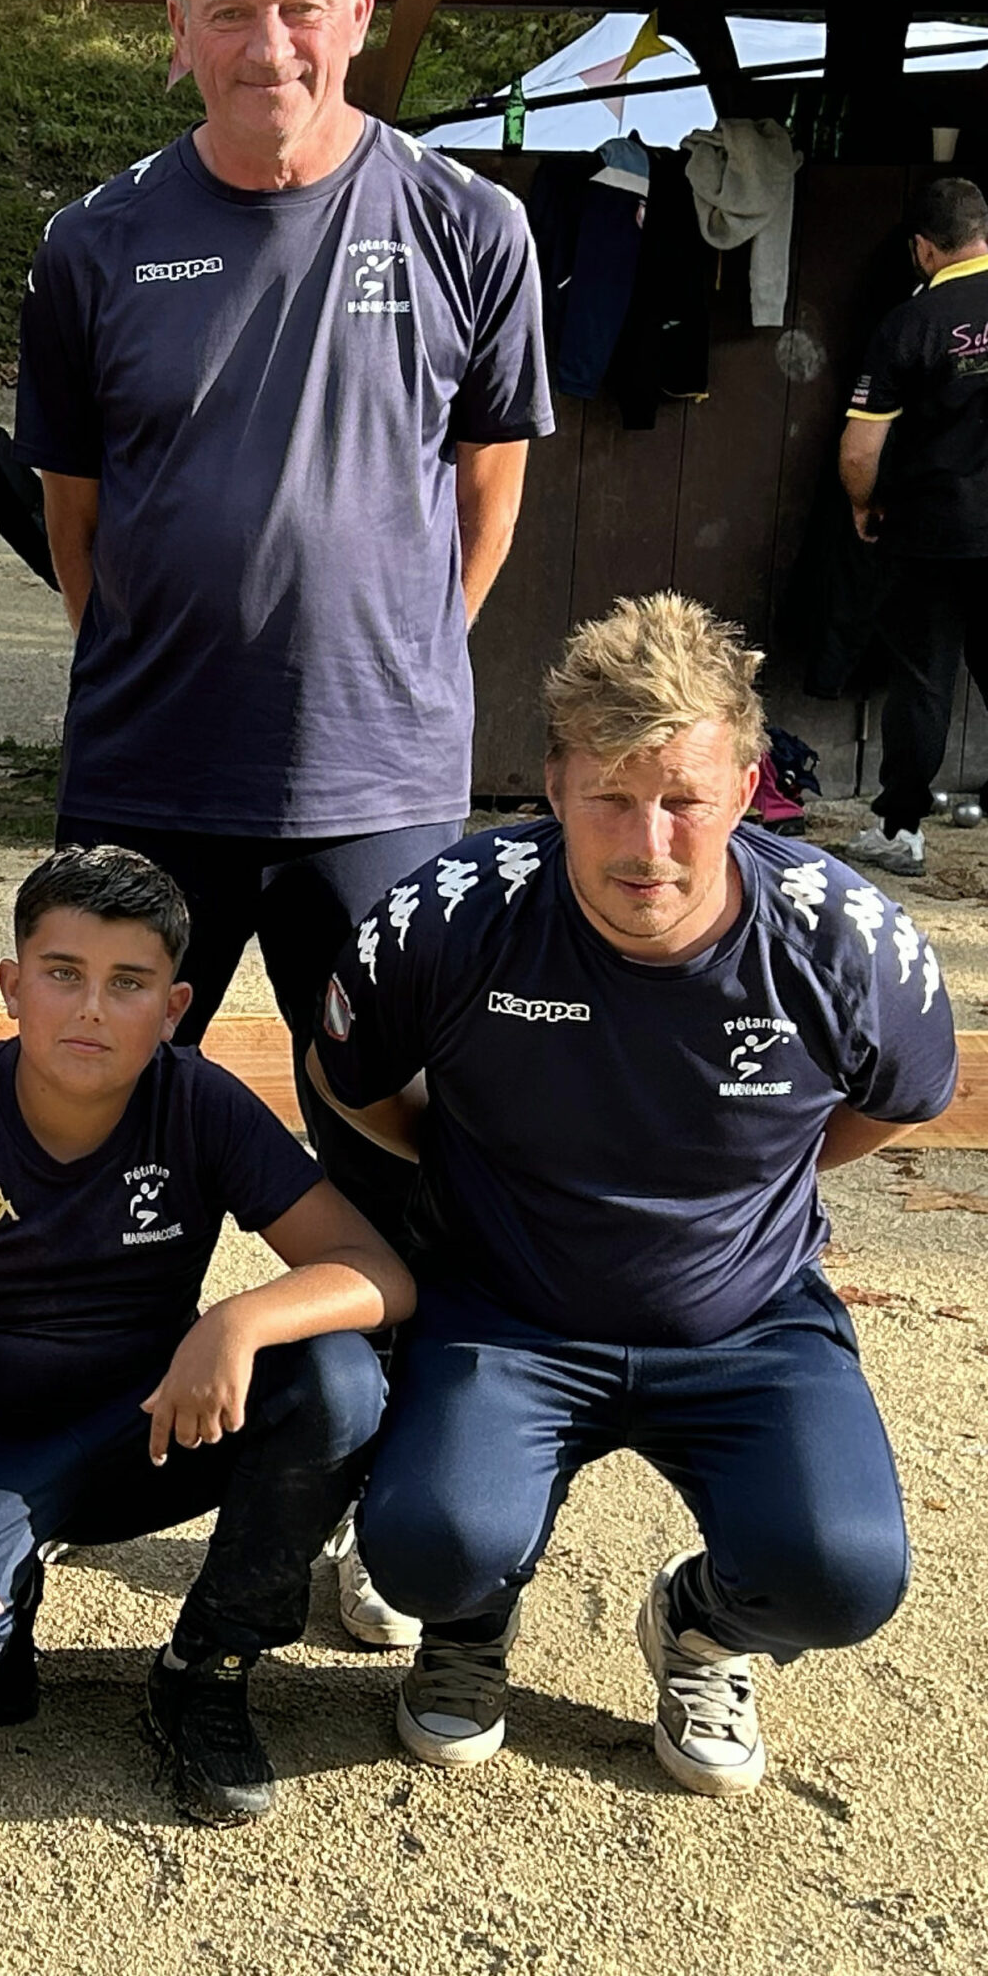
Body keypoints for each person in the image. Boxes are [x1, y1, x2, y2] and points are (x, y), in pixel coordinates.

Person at [12, 0, 547, 1637]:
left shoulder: (471, 223)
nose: (269, 42)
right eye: (230, 11)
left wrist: (388, 667)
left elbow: (487, 497)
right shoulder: (95, 242)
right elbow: (78, 521)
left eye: (300, 3)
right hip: (152, 781)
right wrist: (178, 665)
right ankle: (40, 1462)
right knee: (94, 1128)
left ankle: (383, 1511)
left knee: (393, 1159)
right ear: (178, 35)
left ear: (361, 15)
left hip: (378, 797)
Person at [312, 594, 953, 1797]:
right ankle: (470, 1618)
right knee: (425, 1549)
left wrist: (762, 1183)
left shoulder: (847, 940)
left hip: (746, 1325)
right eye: (608, 794)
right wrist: (456, 1161)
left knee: (844, 1572)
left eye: (682, 797)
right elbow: (342, 1075)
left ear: (747, 782)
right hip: (508, 1314)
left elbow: (901, 1098)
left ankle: (702, 1625)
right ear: (550, 781)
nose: (644, 841)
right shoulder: (451, 910)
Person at [0, 845, 410, 1825]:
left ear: (173, 1008)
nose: (91, 1008)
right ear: (12, 987)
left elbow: (379, 1272)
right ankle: (2, 1587)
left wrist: (235, 1317)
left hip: (145, 1422)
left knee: (338, 1381)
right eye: (63, 974)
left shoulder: (200, 1100)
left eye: (127, 982)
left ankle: (207, 1664)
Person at [839, 174, 988, 878]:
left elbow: (861, 450)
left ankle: (901, 831)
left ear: (924, 249)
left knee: (925, 682)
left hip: (932, 532)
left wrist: (862, 504)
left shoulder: (909, 323)